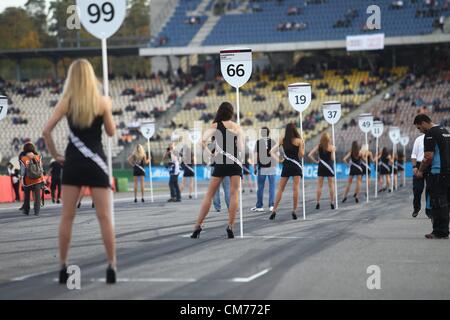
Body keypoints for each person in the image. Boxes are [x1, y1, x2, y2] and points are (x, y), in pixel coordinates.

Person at [42, 59, 117, 284]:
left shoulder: (67, 102)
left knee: (67, 217)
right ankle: (111, 266)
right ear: (92, 77)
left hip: (73, 162)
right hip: (96, 163)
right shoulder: (102, 101)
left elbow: (46, 131)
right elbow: (111, 132)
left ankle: (63, 267)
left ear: (71, 78)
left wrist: (55, 155)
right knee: (104, 217)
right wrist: (108, 110)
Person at [190, 102, 243, 239]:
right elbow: (242, 149)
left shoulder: (215, 126)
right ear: (231, 113)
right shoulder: (237, 127)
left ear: (220, 111)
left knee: (209, 195)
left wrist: (211, 152)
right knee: (234, 195)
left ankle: (197, 226)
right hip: (235, 162)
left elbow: (201, 141)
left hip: (220, 162)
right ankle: (230, 226)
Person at [413, 114, 450, 239]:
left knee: (437, 202)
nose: (420, 130)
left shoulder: (430, 134)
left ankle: (440, 231)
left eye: (419, 128)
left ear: (423, 123)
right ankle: (444, 230)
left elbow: (428, 157)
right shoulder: (445, 131)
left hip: (437, 172)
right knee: (445, 202)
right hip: (447, 171)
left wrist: (420, 170)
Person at [269, 123, 304, 220]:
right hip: (296, 166)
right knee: (295, 189)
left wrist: (279, 160)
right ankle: (294, 210)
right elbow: (301, 155)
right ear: (294, 130)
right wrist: (302, 145)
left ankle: (274, 210)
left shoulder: (283, 139)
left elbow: (271, 151)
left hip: (287, 165)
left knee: (280, 189)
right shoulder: (299, 140)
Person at [251, 127, 276, 212]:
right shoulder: (273, 142)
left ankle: (259, 206)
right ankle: (271, 205)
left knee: (260, 187)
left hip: (262, 167)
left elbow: (255, 155)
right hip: (271, 166)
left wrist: (254, 166)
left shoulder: (258, 142)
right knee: (272, 187)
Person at [308, 132, 336, 210]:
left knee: (319, 186)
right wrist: (333, 151)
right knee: (331, 186)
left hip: (321, 166)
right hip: (329, 167)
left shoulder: (319, 146)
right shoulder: (331, 147)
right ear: (328, 139)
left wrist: (316, 161)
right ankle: (332, 202)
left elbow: (309, 155)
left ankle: (318, 202)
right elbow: (333, 159)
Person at [19, 142, 44, 216]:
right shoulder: (38, 157)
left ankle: (26, 211)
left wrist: (22, 180)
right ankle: (36, 212)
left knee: (26, 197)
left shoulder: (23, 159)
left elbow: (23, 171)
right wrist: (43, 179)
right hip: (37, 180)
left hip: (27, 181)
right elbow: (41, 169)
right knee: (37, 197)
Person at [411, 133, 430, 218]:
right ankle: (416, 208)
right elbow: (414, 154)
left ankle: (429, 210)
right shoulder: (419, 139)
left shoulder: (434, 138)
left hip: (430, 164)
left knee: (430, 189)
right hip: (419, 164)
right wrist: (414, 166)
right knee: (417, 189)